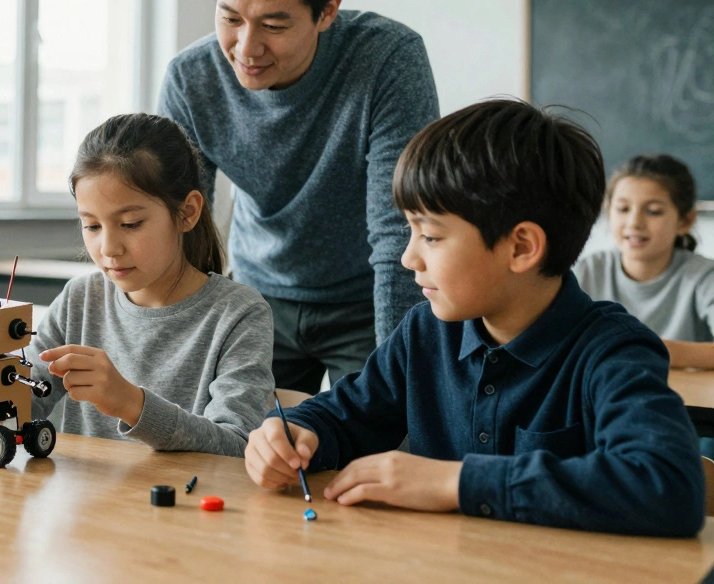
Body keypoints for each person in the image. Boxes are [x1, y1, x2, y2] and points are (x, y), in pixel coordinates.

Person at [244, 98, 704, 537]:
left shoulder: (613, 350)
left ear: (521, 247)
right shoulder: (426, 331)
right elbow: (347, 415)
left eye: (430, 236)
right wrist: (294, 433)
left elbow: (668, 485)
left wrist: (452, 483)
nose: (408, 258)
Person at [159, 0, 439, 393]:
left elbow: (399, 228)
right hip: (255, 296)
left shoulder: (386, 59)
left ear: (327, 10)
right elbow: (181, 227)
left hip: (367, 297)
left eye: (273, 25)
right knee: (239, 448)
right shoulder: (191, 78)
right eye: (230, 18)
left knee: (380, 442)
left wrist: (401, 390)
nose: (246, 49)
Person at [28, 113, 274, 458]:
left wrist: (131, 403)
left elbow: (235, 446)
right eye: (92, 226)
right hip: (87, 506)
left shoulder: (239, 314)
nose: (109, 249)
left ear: (187, 212)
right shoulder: (80, 299)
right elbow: (25, 397)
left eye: (130, 224)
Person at [574, 154, 714, 368]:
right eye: (623, 209)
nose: (634, 222)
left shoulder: (704, 277)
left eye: (653, 211)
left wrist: (651, 348)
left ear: (685, 221)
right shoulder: (587, 271)